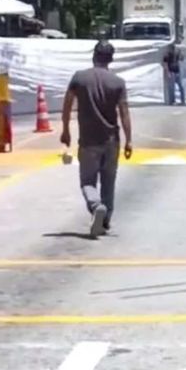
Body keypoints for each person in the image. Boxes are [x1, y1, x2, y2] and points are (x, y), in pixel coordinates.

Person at [60, 40, 133, 237]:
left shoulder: (79, 78)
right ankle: (106, 218)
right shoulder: (118, 82)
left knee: (87, 182)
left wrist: (65, 130)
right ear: (111, 59)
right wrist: (129, 140)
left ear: (94, 56)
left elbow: (67, 105)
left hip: (89, 140)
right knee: (109, 180)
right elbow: (124, 112)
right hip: (111, 140)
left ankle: (95, 205)